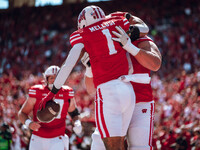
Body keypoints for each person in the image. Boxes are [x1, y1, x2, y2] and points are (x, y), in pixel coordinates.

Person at [40, 5, 137, 150]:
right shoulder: (116, 21)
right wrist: (127, 17)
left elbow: (68, 66)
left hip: (108, 90)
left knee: (112, 146)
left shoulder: (83, 34)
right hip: (128, 90)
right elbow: (143, 28)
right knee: (122, 144)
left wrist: (52, 92)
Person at [83, 12, 162, 150]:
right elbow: (91, 90)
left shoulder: (140, 38)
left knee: (140, 147)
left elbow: (155, 64)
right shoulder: (101, 46)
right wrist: (89, 69)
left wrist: (129, 46)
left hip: (140, 100)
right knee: (100, 144)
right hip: (114, 101)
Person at [18, 65, 82, 150]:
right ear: (46, 79)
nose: (55, 80)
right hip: (38, 138)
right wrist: (29, 123)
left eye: (57, 78)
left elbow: (74, 113)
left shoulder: (67, 93)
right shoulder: (37, 92)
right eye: (51, 78)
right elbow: (22, 113)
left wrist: (77, 122)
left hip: (57, 138)